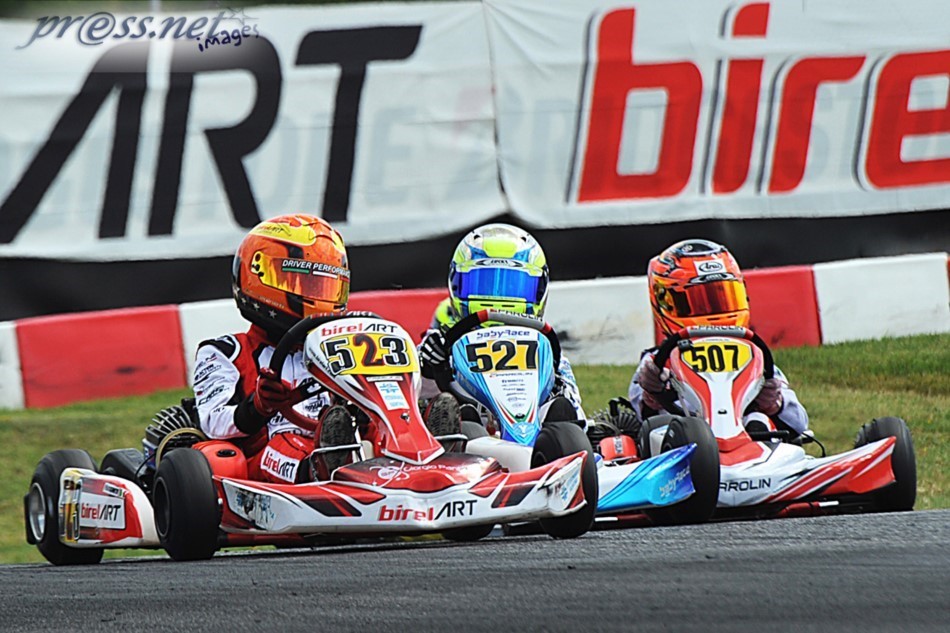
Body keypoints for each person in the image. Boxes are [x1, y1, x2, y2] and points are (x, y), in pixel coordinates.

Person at [192, 213, 357, 484]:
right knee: (247, 453)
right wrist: (258, 406)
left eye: (325, 286)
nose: (319, 296)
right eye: (304, 284)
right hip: (262, 464)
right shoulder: (226, 352)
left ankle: (423, 451)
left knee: (374, 427)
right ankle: (317, 471)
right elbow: (213, 422)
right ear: (259, 277)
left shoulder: (338, 349)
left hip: (341, 441)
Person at [627, 238, 808, 437]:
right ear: (666, 302)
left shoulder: (756, 357)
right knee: (663, 428)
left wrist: (774, 403)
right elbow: (640, 414)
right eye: (699, 302)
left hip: (748, 445)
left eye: (723, 298)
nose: (715, 311)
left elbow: (799, 422)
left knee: (759, 420)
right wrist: (652, 393)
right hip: (687, 442)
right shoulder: (658, 361)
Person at [416, 223, 585, 431]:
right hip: (468, 439)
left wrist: (554, 387)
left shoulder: (547, 353)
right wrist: (430, 370)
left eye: (513, 286)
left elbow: (577, 414)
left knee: (561, 410)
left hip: (534, 439)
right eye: (484, 284)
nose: (497, 298)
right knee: (458, 414)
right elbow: (406, 398)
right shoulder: (441, 346)